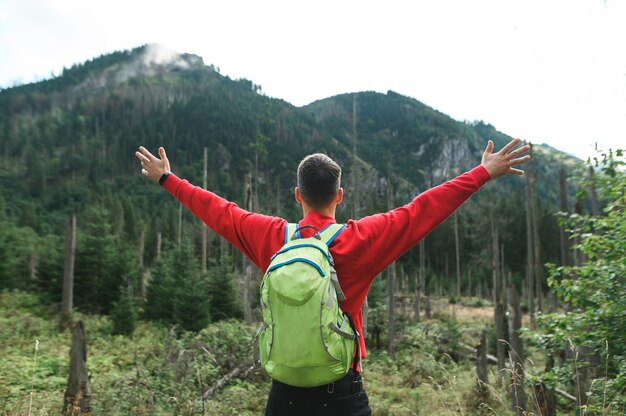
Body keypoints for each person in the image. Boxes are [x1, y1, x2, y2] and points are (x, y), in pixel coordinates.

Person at [135, 138, 530, 415]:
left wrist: (168, 179)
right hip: (341, 390)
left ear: (297, 194)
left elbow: (220, 210)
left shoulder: (273, 236)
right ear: (339, 196)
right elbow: (422, 210)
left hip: (284, 391)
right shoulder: (360, 240)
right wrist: (481, 173)